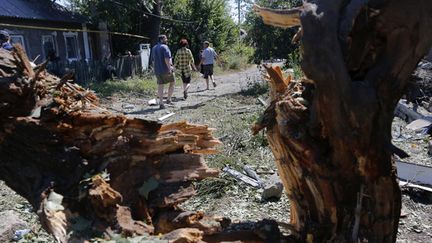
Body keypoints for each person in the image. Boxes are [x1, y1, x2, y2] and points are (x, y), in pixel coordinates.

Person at [151, 35, 175, 109]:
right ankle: (168, 99)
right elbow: (166, 59)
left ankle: (161, 103)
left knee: (160, 86)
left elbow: (153, 60)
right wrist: (170, 68)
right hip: (165, 70)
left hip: (157, 70)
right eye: (165, 38)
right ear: (161, 39)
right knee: (172, 82)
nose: (167, 40)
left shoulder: (154, 48)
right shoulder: (165, 47)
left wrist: (154, 69)